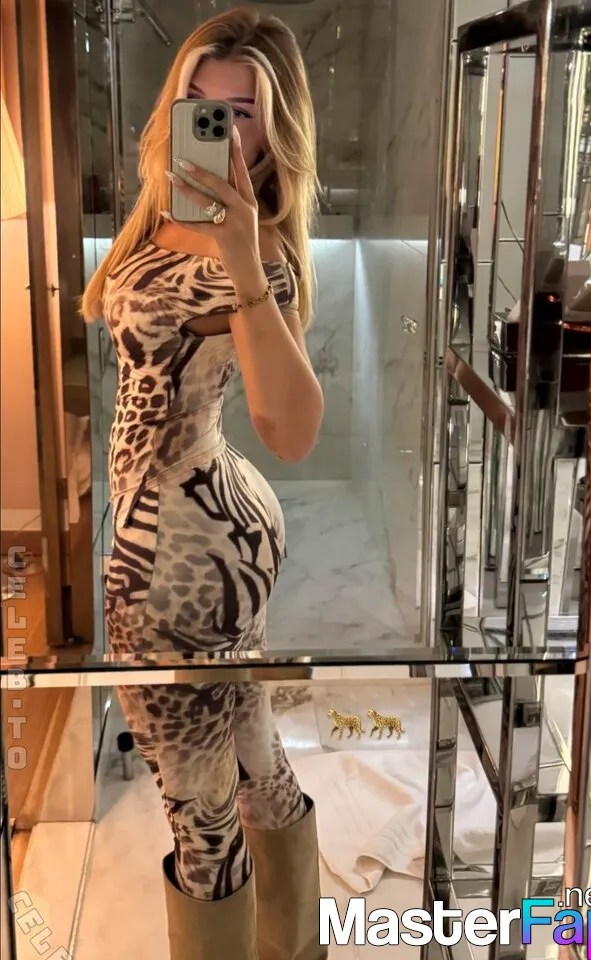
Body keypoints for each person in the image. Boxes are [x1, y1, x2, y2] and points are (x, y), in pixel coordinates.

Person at [81, 8, 325, 959]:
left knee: (200, 810)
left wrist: (243, 254)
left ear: (273, 131)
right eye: (200, 101)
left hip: (174, 556)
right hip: (209, 526)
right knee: (252, 749)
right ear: (174, 107)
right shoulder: (156, 216)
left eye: (243, 112)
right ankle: (297, 947)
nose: (218, 127)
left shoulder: (258, 257)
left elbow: (291, 431)